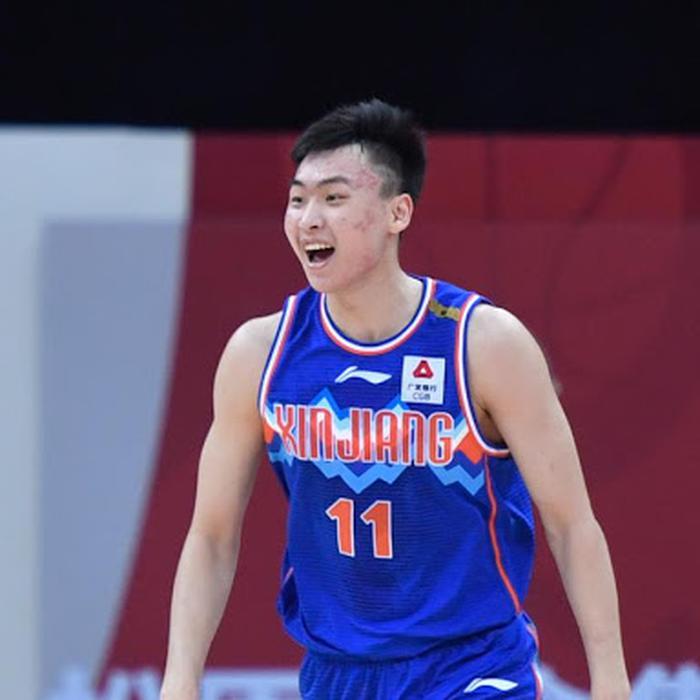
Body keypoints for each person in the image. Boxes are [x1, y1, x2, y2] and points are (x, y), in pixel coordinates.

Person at [160, 99, 630, 699]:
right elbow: (211, 535)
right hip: (338, 672)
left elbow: (572, 526)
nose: (308, 220)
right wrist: (179, 680)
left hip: (472, 667)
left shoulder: (484, 344)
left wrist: (611, 681)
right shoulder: (260, 353)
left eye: (333, 199)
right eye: (298, 200)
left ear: (397, 212)